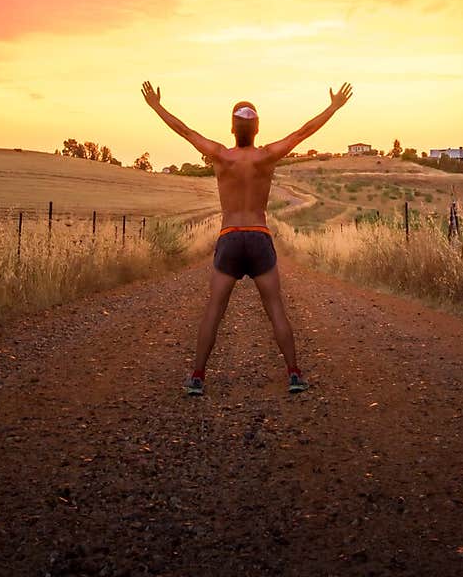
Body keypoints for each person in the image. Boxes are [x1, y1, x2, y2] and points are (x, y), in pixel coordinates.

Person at [141, 79, 353, 395]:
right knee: (276, 308)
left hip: (230, 238)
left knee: (214, 309)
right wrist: (333, 107)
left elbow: (185, 131)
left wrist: (156, 106)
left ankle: (198, 377)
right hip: (258, 237)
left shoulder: (220, 155)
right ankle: (294, 374)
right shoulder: (266, 155)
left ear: (232, 129)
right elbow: (302, 133)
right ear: (256, 130)